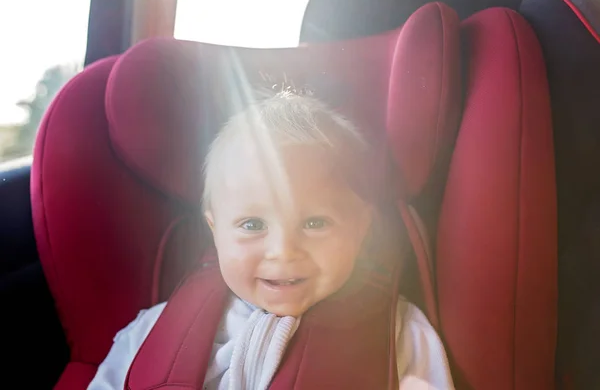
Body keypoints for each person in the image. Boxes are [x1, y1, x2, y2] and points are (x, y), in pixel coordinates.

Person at [88, 88, 454, 390]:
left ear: (362, 228)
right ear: (215, 231)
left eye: (315, 222)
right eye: (251, 225)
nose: (283, 252)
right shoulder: (154, 331)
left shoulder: (400, 336)